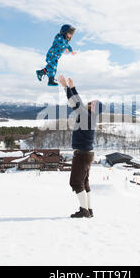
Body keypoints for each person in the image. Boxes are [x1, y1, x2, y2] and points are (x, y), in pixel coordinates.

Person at [58, 75, 104, 218]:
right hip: (87, 153)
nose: (87, 103)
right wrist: (73, 87)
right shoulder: (90, 115)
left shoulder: (87, 115)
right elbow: (80, 103)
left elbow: (75, 104)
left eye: (90, 103)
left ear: (93, 108)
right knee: (84, 182)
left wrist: (65, 87)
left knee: (76, 182)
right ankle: (89, 210)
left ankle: (84, 211)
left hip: (83, 154)